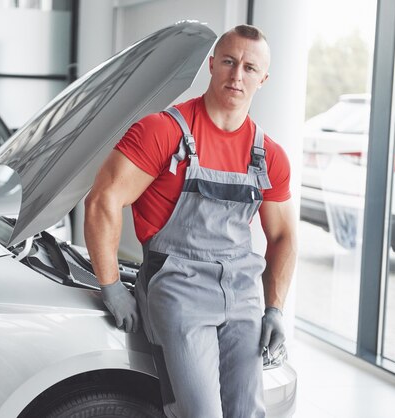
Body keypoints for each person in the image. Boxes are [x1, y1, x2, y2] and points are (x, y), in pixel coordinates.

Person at [84, 24, 297, 418]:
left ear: (263, 79)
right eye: (229, 62)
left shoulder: (269, 155)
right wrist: (111, 285)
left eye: (250, 68)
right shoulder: (162, 132)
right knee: (199, 412)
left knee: (247, 412)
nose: (237, 75)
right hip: (177, 288)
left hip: (242, 295)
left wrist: (275, 308)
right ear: (212, 64)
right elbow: (102, 200)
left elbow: (282, 235)